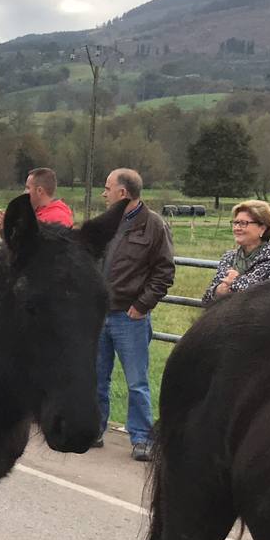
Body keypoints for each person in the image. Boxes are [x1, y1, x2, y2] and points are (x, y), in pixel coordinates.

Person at [95, 168, 175, 461]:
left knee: (136, 382)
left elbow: (164, 271)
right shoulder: (107, 223)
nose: (103, 193)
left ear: (123, 193)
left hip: (130, 317)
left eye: (107, 188)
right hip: (100, 314)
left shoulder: (153, 226)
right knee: (96, 376)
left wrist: (142, 305)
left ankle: (142, 439)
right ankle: (95, 430)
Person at [202, 200, 270, 305]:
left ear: (262, 228)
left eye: (243, 223)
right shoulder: (229, 258)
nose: (237, 228)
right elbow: (206, 301)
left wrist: (236, 282)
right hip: (226, 319)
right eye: (235, 223)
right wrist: (218, 291)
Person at [0, 167, 74, 234]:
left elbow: (34, 250)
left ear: (39, 191)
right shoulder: (37, 213)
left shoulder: (57, 219)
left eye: (28, 188)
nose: (24, 192)